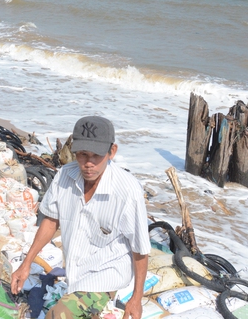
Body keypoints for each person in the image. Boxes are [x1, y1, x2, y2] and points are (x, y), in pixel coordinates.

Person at [11, 116, 151, 319]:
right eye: (83, 154)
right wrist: (26, 265)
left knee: (57, 316)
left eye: (96, 155)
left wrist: (136, 299)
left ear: (112, 152)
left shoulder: (128, 191)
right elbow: (50, 221)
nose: (88, 163)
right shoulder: (64, 176)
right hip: (75, 275)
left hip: (106, 278)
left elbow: (140, 249)